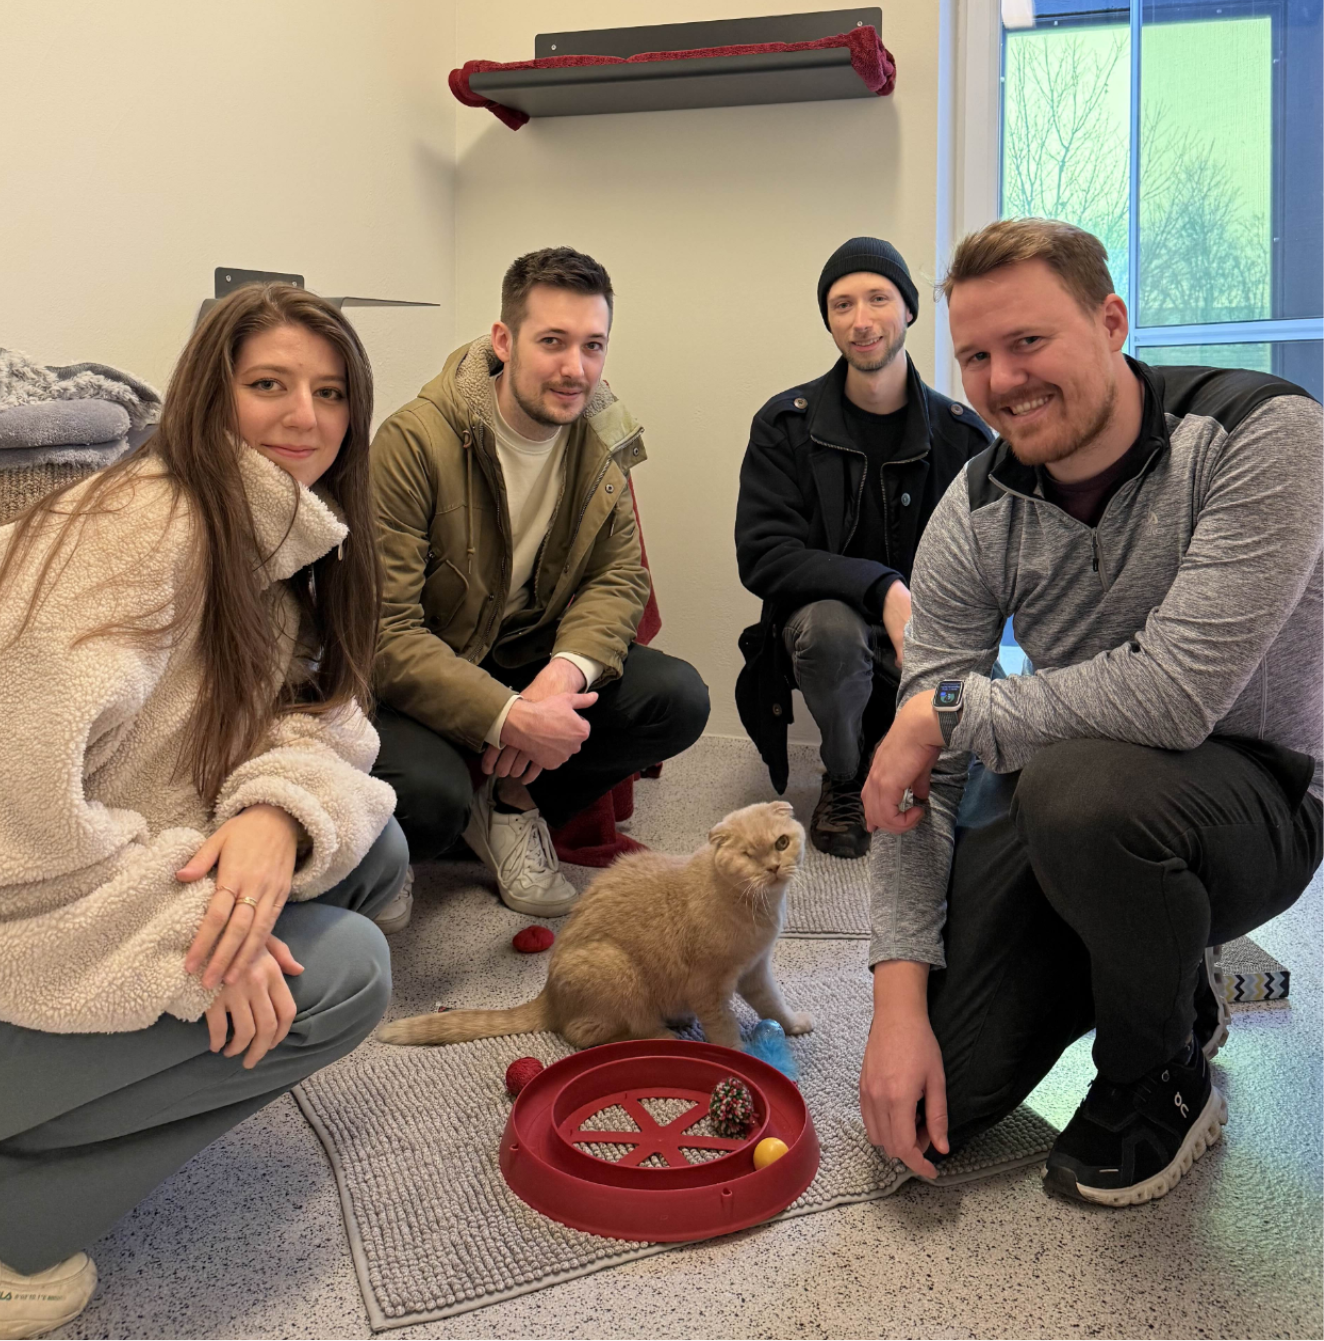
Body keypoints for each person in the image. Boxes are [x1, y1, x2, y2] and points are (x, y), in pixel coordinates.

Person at [858, 217, 1324, 1207]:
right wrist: (895, 999)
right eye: (975, 356)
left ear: (1111, 322)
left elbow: (1174, 694)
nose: (1002, 380)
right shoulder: (974, 509)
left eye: (1028, 341)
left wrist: (945, 708)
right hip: (1081, 791)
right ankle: (1153, 957)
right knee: (948, 1092)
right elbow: (918, 780)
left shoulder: (1262, 433)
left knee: (1076, 790)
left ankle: (1162, 1067)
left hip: (1260, 794)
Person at [0, 285, 405, 1339]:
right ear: (208, 395)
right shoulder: (144, 530)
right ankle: (15, 1222)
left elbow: (328, 717)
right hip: (19, 915)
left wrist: (275, 813)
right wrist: (189, 933)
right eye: (269, 384)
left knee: (374, 852)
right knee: (345, 974)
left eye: (330, 392)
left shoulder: (275, 530)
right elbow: (15, 820)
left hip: (85, 873)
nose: (304, 417)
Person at [370, 247, 709, 917]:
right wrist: (508, 718)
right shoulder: (413, 441)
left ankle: (512, 801)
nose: (575, 368)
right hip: (431, 665)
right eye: (552, 341)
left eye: (592, 345)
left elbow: (619, 576)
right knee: (430, 801)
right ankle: (420, 834)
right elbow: (387, 633)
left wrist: (562, 676)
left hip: (528, 651)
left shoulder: (604, 432)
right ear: (504, 341)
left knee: (676, 699)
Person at [734, 238, 992, 858]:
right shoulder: (785, 424)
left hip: (929, 631)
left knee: (997, 777)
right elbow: (763, 554)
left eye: (878, 299)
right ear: (828, 321)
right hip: (824, 632)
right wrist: (881, 588)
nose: (861, 320)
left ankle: (902, 755)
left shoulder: (963, 436)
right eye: (842, 304)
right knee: (832, 628)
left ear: (909, 310)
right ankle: (845, 778)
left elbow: (991, 567)